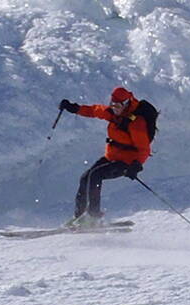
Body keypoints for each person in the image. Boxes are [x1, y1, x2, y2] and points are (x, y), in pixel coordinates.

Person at [57, 87, 155, 225]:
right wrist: (74, 108)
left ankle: (93, 217)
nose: (114, 108)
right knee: (85, 177)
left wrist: (136, 166)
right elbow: (95, 110)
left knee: (95, 175)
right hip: (111, 157)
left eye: (117, 105)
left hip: (126, 162)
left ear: (126, 103)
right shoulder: (115, 114)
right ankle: (79, 217)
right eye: (112, 104)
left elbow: (144, 149)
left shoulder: (135, 123)